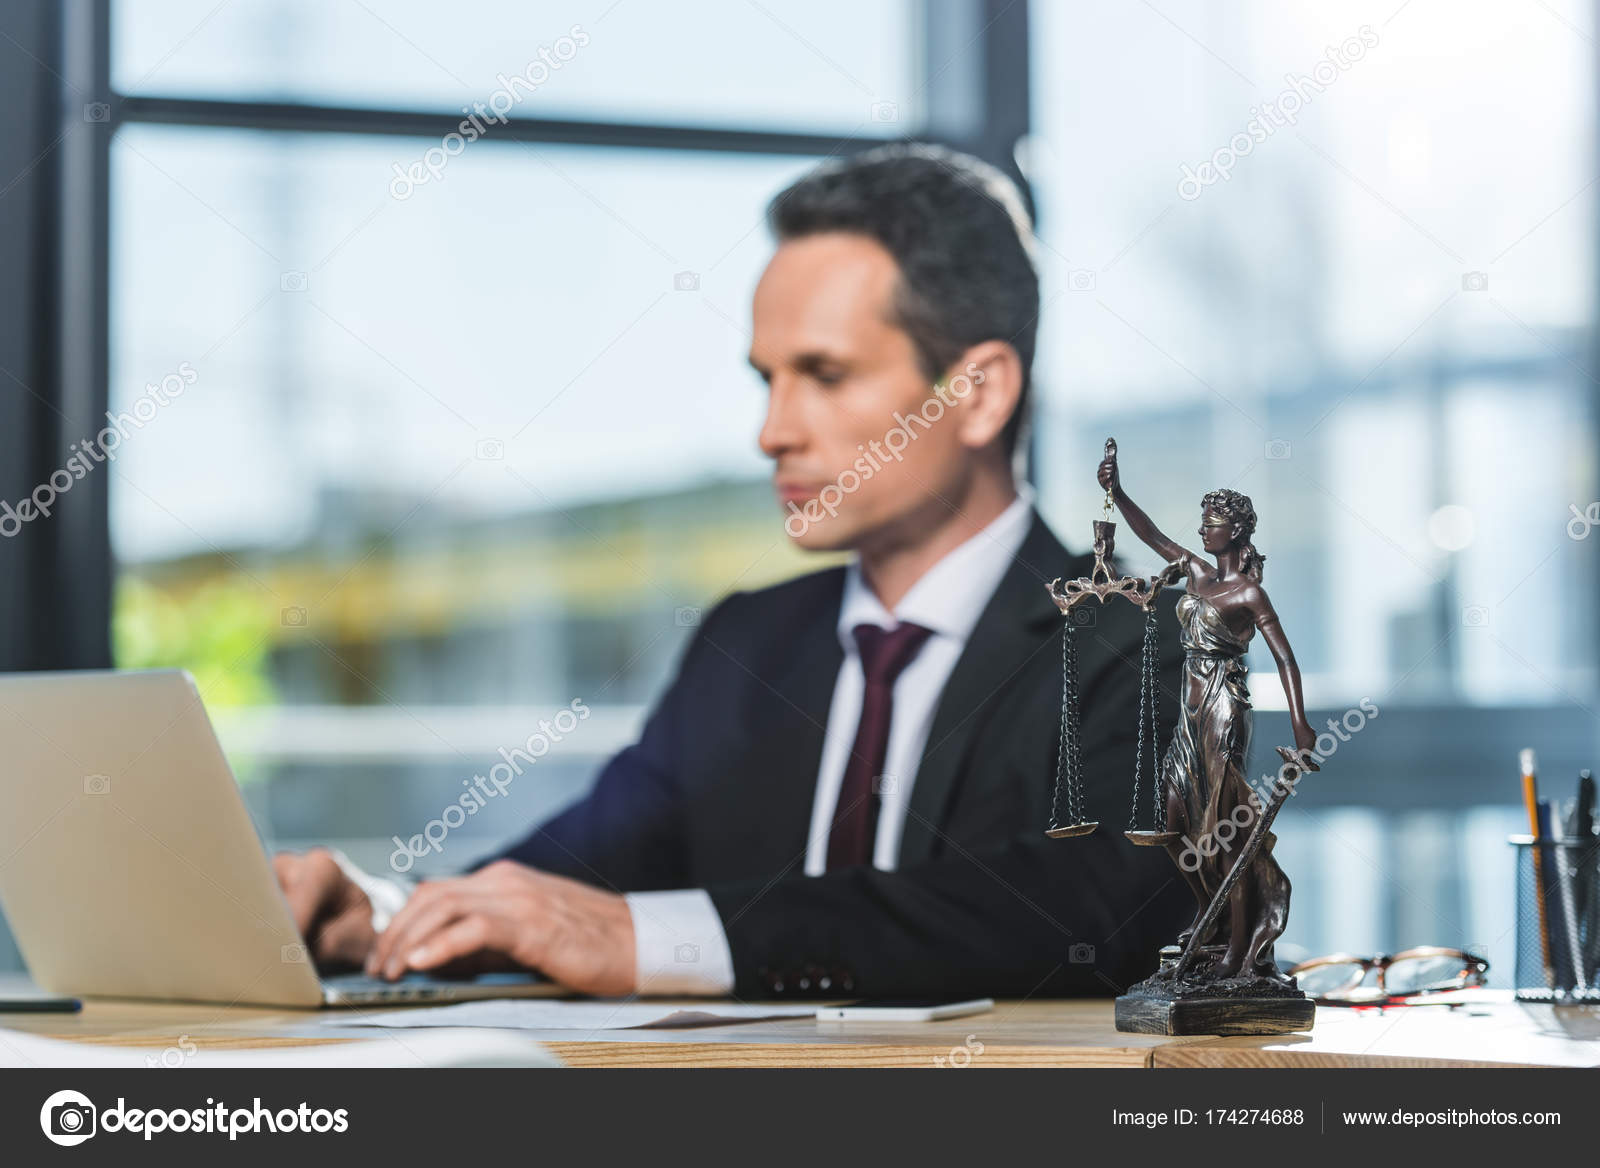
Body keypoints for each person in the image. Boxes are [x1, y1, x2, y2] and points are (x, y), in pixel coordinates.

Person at [274, 142, 1190, 1000]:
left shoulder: (1136, 637)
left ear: (978, 392)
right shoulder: (748, 642)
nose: (771, 433)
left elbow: (1088, 912)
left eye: (824, 374)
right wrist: (391, 916)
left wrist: (656, 940)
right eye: (767, 379)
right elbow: (578, 879)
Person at [1097, 446, 1317, 982]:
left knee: (1222, 830)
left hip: (1223, 706)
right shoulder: (1194, 573)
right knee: (1173, 825)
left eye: (1212, 523)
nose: (1201, 532)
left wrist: (1301, 724)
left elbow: (1285, 656)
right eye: (1201, 522)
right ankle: (1212, 912)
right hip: (1188, 711)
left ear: (1237, 531)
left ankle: (1240, 952)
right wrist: (1117, 492)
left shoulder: (1248, 592)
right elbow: (1151, 536)